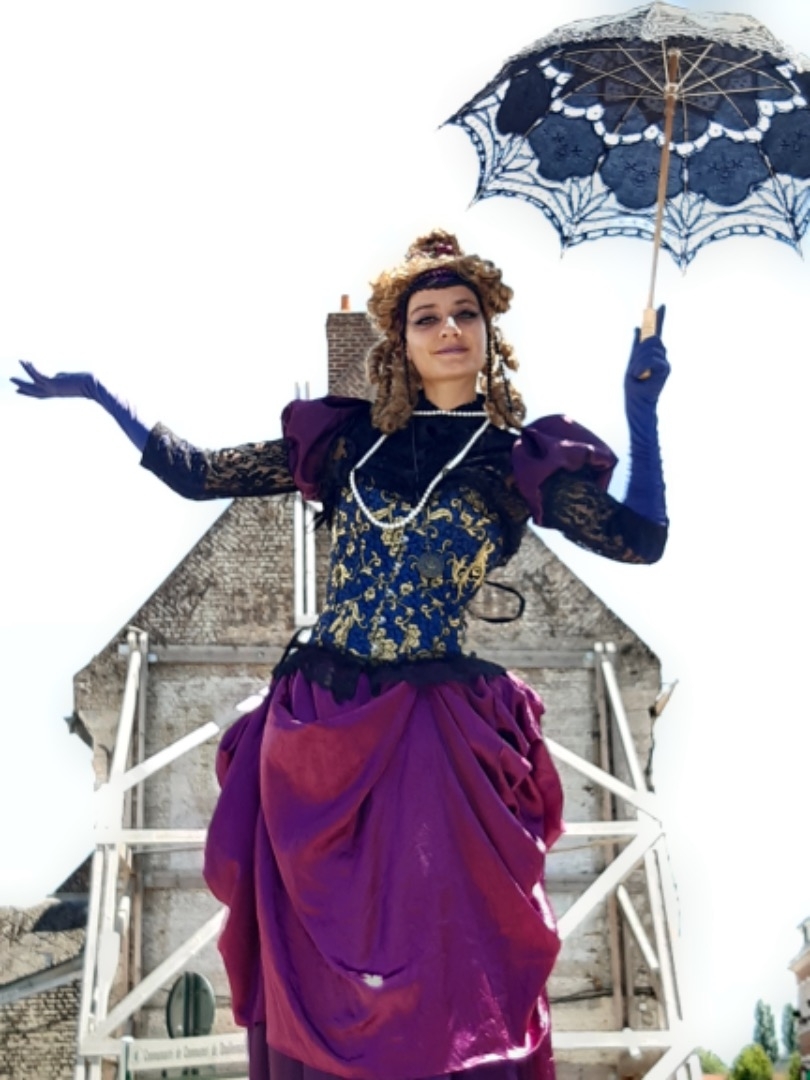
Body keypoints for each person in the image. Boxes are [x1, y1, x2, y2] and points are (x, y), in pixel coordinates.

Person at [12, 230, 670, 1080]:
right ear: (400, 340)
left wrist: (642, 409)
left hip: (435, 737)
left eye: (464, 314)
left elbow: (640, 540)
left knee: (447, 955)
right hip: (320, 732)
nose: (448, 329)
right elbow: (198, 474)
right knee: (316, 964)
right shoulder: (349, 443)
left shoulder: (515, 461)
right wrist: (103, 397)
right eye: (427, 317)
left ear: (489, 333)